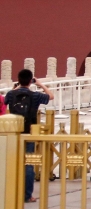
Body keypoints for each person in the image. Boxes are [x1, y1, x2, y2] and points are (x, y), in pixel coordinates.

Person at [4, 69, 53, 204]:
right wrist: (40, 84)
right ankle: (27, 195)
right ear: (31, 81)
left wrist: (16, 87)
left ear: (18, 80)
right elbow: (51, 96)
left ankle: (9, 192)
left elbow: (5, 101)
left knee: (11, 162)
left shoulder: (11, 94)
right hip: (29, 132)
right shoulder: (35, 95)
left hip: (13, 133)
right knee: (28, 164)